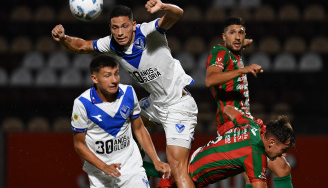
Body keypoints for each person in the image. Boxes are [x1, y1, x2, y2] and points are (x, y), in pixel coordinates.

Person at [52, 0, 198, 188]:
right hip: (155, 103)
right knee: (125, 123)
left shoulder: (147, 32)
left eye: (125, 26)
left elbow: (177, 14)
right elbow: (81, 46)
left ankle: (144, 166)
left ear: (134, 25)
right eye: (115, 28)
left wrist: (164, 7)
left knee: (178, 168)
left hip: (178, 103)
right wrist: (63, 38)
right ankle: (139, 166)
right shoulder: (111, 44)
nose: (120, 33)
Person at [205, 17, 293, 188]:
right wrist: (242, 70)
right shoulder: (220, 52)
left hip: (247, 122)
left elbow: (241, 42)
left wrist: (243, 43)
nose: (237, 37)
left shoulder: (233, 53)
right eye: (232, 33)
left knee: (282, 168)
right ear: (223, 36)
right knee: (254, 178)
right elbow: (210, 79)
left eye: (241, 32)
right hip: (231, 123)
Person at [71, 55, 170, 187]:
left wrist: (156, 160)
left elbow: (139, 129)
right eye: (107, 75)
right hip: (100, 174)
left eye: (116, 74)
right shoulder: (82, 104)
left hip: (131, 167)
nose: (114, 80)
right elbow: (79, 145)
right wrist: (104, 166)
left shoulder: (128, 93)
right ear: (95, 78)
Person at [158, 106, 296, 188]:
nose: (282, 155)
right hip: (179, 181)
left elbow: (228, 109)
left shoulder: (252, 125)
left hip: (183, 167)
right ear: (271, 142)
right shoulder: (256, 155)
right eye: (283, 150)